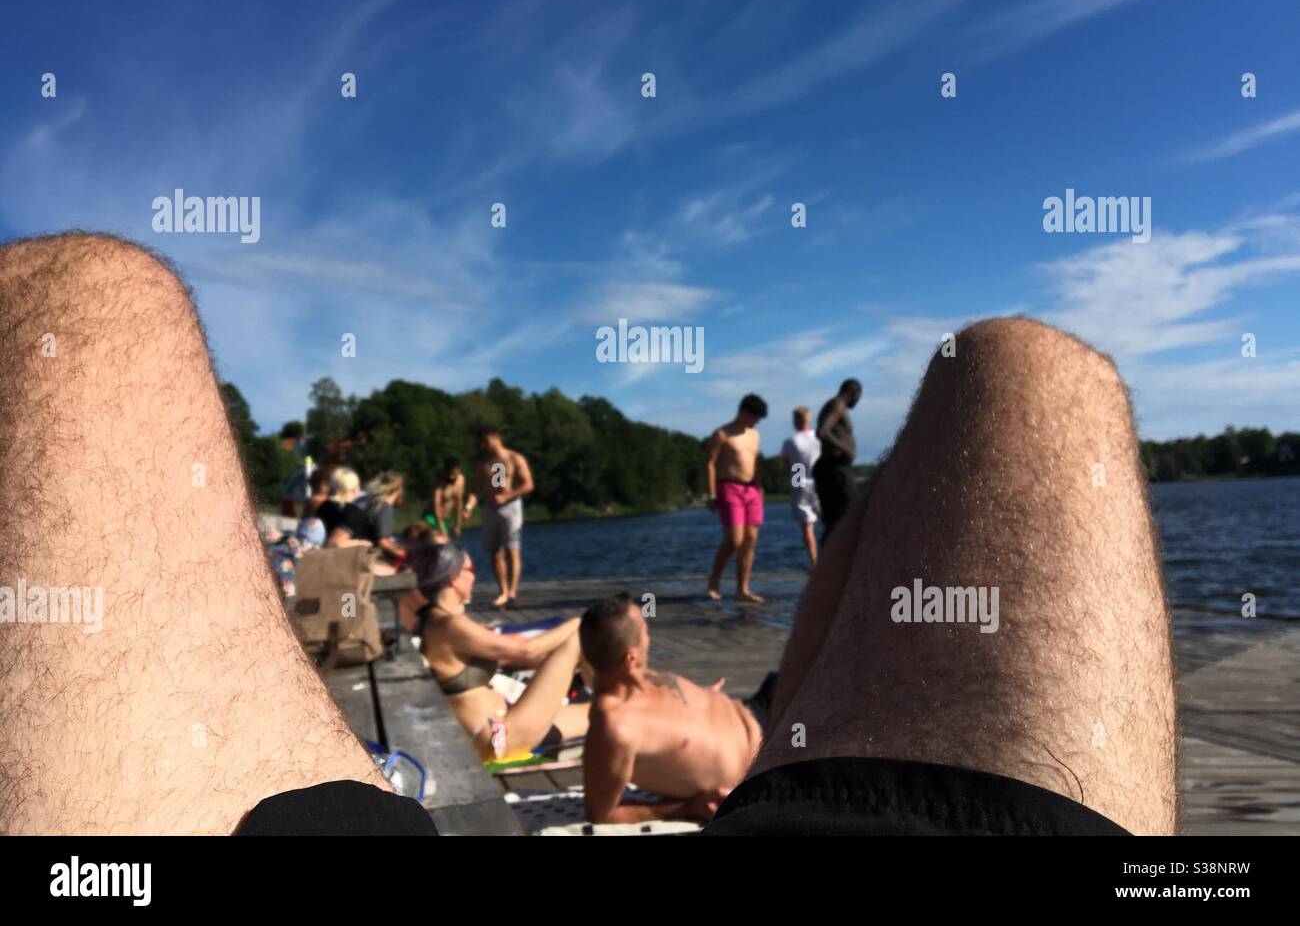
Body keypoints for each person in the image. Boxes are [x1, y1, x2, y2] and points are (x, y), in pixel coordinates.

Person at [0, 233, 1175, 837]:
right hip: (746, 740)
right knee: (1025, 367)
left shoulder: (524, 652)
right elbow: (596, 778)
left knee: (91, 294)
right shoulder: (559, 659)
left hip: (710, 741)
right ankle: (772, 645)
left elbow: (584, 769)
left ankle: (764, 638)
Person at [579, 595, 761, 824]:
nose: (649, 637)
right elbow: (601, 814)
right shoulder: (615, 727)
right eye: (645, 632)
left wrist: (707, 695)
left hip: (760, 716)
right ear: (631, 658)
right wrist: (685, 808)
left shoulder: (641, 675)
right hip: (761, 776)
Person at [412, 543, 589, 761]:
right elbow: (526, 650)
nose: (475, 578)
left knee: (594, 710)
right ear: (453, 578)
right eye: (472, 571)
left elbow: (517, 655)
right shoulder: (449, 625)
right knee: (577, 639)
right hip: (497, 738)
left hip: (496, 725)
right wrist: (578, 622)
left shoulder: (431, 617)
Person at [705, 393, 768, 604]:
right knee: (734, 539)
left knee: (750, 540)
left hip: (752, 489)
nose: (756, 421)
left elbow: (754, 463)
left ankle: (743, 589)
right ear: (743, 412)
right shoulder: (722, 434)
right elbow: (710, 464)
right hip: (728, 486)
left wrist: (760, 488)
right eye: (754, 417)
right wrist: (711, 493)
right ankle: (714, 579)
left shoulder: (754, 435)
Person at [473, 427, 533, 608]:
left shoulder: (514, 458)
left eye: (485, 441)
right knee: (494, 551)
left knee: (512, 549)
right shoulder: (487, 463)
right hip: (492, 507)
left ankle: (512, 592)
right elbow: (476, 489)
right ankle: (503, 591)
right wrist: (468, 506)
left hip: (510, 507)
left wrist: (507, 496)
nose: (483, 445)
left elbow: (528, 484)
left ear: (494, 438)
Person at [813, 378, 861, 539]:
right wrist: (846, 448)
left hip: (833, 468)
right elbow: (823, 431)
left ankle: (829, 561)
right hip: (833, 469)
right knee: (845, 517)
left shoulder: (835, 405)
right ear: (854, 393)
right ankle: (829, 560)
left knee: (837, 520)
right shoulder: (837, 405)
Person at [781, 406, 821, 569]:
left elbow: (787, 464)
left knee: (807, 527)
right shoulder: (819, 438)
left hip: (800, 481)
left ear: (796, 420)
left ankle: (814, 562)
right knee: (828, 522)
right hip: (818, 481)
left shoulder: (791, 442)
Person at [357, 471, 407, 566]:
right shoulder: (384, 507)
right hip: (368, 559)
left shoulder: (368, 501)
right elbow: (382, 542)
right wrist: (405, 555)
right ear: (397, 490)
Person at [425, 458, 467, 538]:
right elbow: (436, 507)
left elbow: (459, 504)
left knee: (448, 542)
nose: (451, 477)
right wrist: (442, 530)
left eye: (454, 474)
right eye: (450, 474)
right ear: (445, 471)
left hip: (444, 519)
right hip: (431, 517)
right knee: (442, 540)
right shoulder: (439, 484)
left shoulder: (461, 480)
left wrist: (458, 525)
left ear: (459, 470)